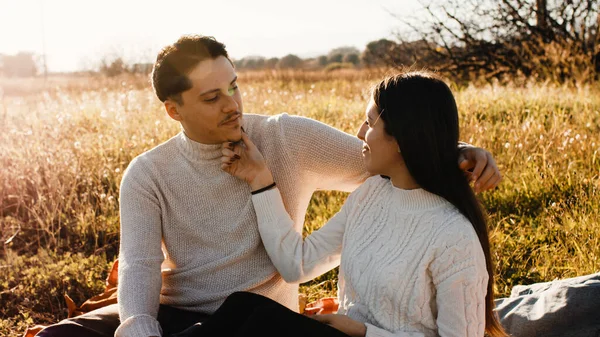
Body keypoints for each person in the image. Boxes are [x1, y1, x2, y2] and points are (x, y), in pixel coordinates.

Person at [36, 36, 501, 337]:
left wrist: (457, 149)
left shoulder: (286, 138)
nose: (232, 105)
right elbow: (138, 266)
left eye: (234, 86)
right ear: (173, 110)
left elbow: (389, 154)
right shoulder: (147, 173)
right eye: (212, 97)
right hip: (171, 314)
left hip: (258, 323)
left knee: (241, 317)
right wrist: (139, 327)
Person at [184, 71, 508, 337]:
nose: (358, 133)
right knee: (245, 306)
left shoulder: (453, 236)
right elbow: (297, 264)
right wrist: (260, 180)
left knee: (263, 325)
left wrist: (365, 332)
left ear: (401, 140)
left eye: (369, 123)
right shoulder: (370, 196)